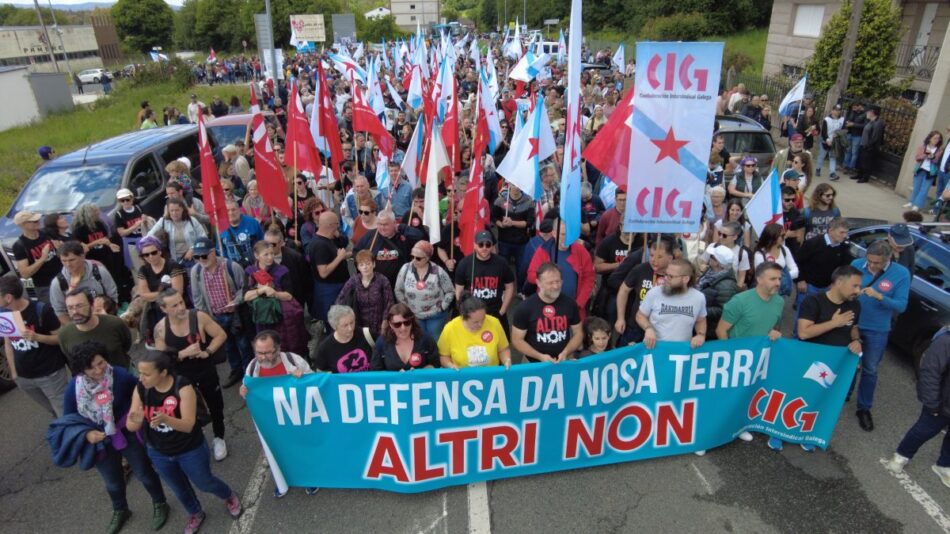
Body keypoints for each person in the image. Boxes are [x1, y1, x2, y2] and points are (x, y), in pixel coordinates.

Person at [128, 351, 242, 534]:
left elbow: (188, 425)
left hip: (190, 449)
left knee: (205, 482)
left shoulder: (183, 387)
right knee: (179, 488)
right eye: (140, 373)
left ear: (163, 373)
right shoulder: (140, 388)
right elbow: (131, 425)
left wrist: (166, 419)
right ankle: (195, 513)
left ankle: (228, 495)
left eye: (147, 374)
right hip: (158, 451)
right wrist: (137, 419)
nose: (141, 378)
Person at [64, 341, 169, 534]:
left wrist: (136, 413)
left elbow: (140, 391)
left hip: (126, 431)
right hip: (99, 440)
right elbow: (68, 419)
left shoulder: (120, 375)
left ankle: (160, 502)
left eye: (101, 363)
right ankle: (120, 509)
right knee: (112, 481)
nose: (98, 370)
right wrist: (86, 434)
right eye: (91, 367)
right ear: (81, 370)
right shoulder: (74, 389)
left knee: (143, 471)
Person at [792, 265, 864, 452]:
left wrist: (857, 341)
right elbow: (804, 333)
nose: (858, 291)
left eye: (859, 286)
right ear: (839, 282)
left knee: (823, 401)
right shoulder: (813, 301)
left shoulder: (855, 305)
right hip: (810, 362)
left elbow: (853, 328)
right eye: (854, 286)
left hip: (836, 366)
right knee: (800, 398)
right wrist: (834, 323)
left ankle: (809, 434)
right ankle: (780, 432)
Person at [239, 330, 319, 498]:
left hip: (296, 416)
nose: (263, 357)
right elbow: (248, 389)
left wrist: (302, 378)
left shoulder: (292, 360)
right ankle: (283, 480)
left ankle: (310, 477)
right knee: (278, 451)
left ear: (277, 348)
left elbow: (314, 383)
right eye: (259, 352)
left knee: (302, 448)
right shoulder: (253, 367)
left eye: (268, 352)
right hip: (272, 421)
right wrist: (244, 391)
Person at [153, 288, 229, 461]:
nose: (181, 308)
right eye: (174, 306)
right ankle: (198, 440)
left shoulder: (198, 317)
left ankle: (219, 438)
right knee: (190, 411)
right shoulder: (160, 329)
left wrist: (208, 351)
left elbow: (220, 334)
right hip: (181, 378)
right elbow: (161, 359)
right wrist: (183, 353)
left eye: (181, 302)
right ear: (164, 309)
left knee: (216, 406)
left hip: (205, 371)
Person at [849, 240, 910, 432]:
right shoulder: (857, 265)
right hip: (853, 324)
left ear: (887, 259)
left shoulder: (901, 274)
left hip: (878, 330)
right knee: (849, 363)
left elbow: (901, 305)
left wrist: (880, 296)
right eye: (870, 261)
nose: (872, 266)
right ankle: (843, 393)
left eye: (877, 263)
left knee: (870, 369)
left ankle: (864, 408)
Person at [884, 328, 950, 485]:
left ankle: (944, 465)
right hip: (942, 403)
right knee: (924, 430)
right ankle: (902, 455)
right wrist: (932, 403)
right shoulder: (946, 341)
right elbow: (930, 373)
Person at [0, 274, 68, 417]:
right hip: (24, 378)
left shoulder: (41, 310)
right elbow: (8, 343)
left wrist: (37, 337)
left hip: (50, 374)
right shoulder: (4, 313)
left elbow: (60, 338)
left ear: (8, 297)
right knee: (53, 411)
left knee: (65, 412)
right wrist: (14, 373)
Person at [190, 237, 253, 389]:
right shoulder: (196, 271)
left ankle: (249, 374)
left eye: (204, 255)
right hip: (215, 317)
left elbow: (244, 288)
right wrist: (204, 318)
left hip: (235, 314)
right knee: (227, 346)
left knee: (243, 345)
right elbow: (197, 296)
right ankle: (236, 370)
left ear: (213, 252)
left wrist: (236, 301)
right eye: (197, 257)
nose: (201, 259)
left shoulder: (231, 267)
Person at [243, 241, 308, 356]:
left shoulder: (282, 270)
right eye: (266, 254)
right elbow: (246, 296)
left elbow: (289, 295)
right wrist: (260, 291)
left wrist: (274, 293)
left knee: (284, 345)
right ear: (257, 255)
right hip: (261, 317)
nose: (270, 257)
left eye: (272, 254)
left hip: (280, 315)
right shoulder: (250, 272)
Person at [511, 263, 583, 364]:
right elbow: (517, 340)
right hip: (533, 363)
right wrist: (539, 356)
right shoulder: (525, 308)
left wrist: (566, 351)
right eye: (550, 283)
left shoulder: (570, 304)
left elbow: (578, 333)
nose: (556, 286)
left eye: (558, 281)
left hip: (564, 360)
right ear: (538, 283)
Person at [526, 217, 596, 314]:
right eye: (563, 234)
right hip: (547, 307)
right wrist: (548, 277)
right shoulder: (543, 251)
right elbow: (531, 275)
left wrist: (579, 303)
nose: (566, 238)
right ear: (554, 233)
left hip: (574, 307)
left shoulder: (581, 251)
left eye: (569, 234)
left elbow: (589, 278)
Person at [795, 218, 853, 330]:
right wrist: (800, 280)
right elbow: (798, 261)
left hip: (829, 289)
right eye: (842, 232)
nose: (845, 236)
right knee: (802, 317)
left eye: (846, 232)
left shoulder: (844, 248)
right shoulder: (813, 243)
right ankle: (797, 340)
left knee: (823, 317)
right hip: (809, 287)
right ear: (831, 231)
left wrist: (835, 283)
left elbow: (844, 268)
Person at [614, 238, 674, 344]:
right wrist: (620, 318)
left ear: (670, 258)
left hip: (663, 330)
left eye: (659, 257)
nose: (654, 260)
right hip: (636, 327)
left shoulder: (676, 275)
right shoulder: (640, 269)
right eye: (651, 255)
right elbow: (623, 290)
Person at [132, 236, 186, 347]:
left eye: (154, 252)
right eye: (146, 255)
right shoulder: (143, 270)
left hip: (176, 309)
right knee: (163, 344)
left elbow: (177, 292)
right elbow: (143, 295)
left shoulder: (173, 266)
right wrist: (166, 293)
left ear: (160, 251)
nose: (150, 256)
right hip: (155, 312)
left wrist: (152, 295)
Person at [394, 241, 455, 339]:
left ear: (427, 258)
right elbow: (398, 290)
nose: (414, 260)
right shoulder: (405, 268)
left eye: (418, 258)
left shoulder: (438, 271)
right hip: (414, 315)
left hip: (435, 315)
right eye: (412, 257)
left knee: (435, 341)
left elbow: (450, 291)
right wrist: (406, 307)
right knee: (419, 341)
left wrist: (442, 307)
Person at [59, 288, 132, 369]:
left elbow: (126, 345)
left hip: (123, 375)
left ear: (92, 306)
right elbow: (71, 359)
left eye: (79, 306)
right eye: (70, 308)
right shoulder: (64, 334)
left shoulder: (115, 323)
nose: (75, 312)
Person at [454, 230, 516, 323]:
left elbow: (510, 286)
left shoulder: (501, 263)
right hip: (472, 312)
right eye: (480, 244)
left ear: (492, 246)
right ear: (474, 245)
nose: (484, 248)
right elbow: (459, 290)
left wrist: (502, 311)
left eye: (488, 244)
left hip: (495, 312)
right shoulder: (464, 264)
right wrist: (463, 311)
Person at [354, 209, 424, 288]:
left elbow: (419, 236)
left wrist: (402, 227)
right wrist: (363, 269)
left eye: (385, 224)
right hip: (376, 285)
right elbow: (356, 252)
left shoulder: (402, 236)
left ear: (394, 223)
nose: (382, 228)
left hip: (400, 284)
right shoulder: (371, 236)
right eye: (379, 224)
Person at [438, 295, 512, 370]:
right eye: (475, 322)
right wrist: (450, 365)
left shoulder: (494, 322)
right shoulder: (450, 329)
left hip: (491, 374)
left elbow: (503, 349)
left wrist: (506, 360)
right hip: (462, 376)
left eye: (483, 319)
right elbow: (443, 356)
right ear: (463, 318)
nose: (480, 324)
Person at [336, 250, 395, 340]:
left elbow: (389, 303)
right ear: (358, 267)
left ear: (374, 264)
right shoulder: (354, 280)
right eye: (361, 265)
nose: (365, 267)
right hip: (360, 326)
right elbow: (341, 298)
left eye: (368, 264)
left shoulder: (382, 280)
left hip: (379, 326)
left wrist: (385, 323)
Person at [306, 212, 351, 329]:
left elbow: (333, 256)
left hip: (335, 286)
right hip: (330, 290)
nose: (338, 227)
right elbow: (323, 272)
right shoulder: (320, 245)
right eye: (337, 224)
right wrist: (339, 257)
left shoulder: (328, 239)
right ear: (331, 225)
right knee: (335, 322)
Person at [12, 209, 63, 305]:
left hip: (63, 277)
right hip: (45, 287)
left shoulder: (46, 233)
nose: (38, 222)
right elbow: (25, 274)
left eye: (38, 220)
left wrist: (60, 248)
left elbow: (61, 250)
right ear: (23, 225)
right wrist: (42, 259)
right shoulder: (20, 246)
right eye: (34, 221)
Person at [371, 303, 441, 371]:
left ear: (412, 321)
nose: (403, 328)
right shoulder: (382, 343)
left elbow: (436, 364)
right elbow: (375, 372)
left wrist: (420, 372)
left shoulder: (425, 339)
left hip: (420, 382)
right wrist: (395, 376)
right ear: (390, 324)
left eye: (407, 322)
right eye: (397, 324)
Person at [492, 182, 535, 287]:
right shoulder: (500, 201)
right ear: (508, 184)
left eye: (518, 185)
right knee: (503, 267)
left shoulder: (529, 201)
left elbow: (528, 223)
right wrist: (501, 225)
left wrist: (512, 223)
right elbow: (494, 218)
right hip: (504, 241)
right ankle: (502, 289)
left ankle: (521, 290)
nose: (516, 187)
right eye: (513, 184)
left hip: (521, 242)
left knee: (521, 268)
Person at [148, 198, 208, 268]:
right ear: (168, 211)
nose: (174, 213)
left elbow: (204, 237)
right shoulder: (163, 221)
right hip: (173, 260)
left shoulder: (192, 220)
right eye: (171, 211)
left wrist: (193, 249)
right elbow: (149, 236)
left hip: (192, 258)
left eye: (177, 210)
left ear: (182, 209)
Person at [314, 305, 374, 373]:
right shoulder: (325, 348)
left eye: (352, 323)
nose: (350, 328)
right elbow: (320, 373)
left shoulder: (366, 334)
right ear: (334, 327)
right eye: (345, 325)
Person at [697, 244, 739, 334]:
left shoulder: (727, 285)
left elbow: (723, 310)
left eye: (712, 256)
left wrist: (700, 309)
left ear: (717, 262)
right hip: (702, 323)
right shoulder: (710, 273)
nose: (709, 258)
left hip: (710, 330)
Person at [113, 188, 151, 270]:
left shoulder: (138, 208)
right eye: (122, 200)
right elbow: (122, 233)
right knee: (137, 266)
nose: (125, 202)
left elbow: (147, 223)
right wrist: (135, 226)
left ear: (132, 199)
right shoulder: (119, 214)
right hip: (131, 244)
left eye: (127, 199)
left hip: (144, 240)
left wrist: (145, 220)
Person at [908, 130, 944, 211]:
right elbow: (917, 157)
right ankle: (912, 202)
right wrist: (926, 155)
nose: (936, 140)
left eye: (938, 139)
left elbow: (936, 160)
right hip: (920, 169)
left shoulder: (939, 150)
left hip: (930, 172)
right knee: (916, 187)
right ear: (930, 138)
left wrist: (930, 156)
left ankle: (917, 205)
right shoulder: (923, 146)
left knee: (924, 189)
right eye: (935, 138)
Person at [219, 200, 264, 266]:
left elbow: (262, 243)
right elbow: (220, 249)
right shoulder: (220, 227)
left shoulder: (252, 223)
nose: (231, 213)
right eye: (227, 210)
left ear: (240, 210)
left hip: (253, 266)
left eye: (233, 210)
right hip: (233, 268)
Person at [853, 105, 884, 184]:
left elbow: (875, 137)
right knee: (861, 161)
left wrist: (868, 145)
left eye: (868, 111)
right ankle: (859, 174)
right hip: (863, 144)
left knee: (867, 162)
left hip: (869, 147)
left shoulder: (878, 123)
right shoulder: (870, 121)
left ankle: (865, 177)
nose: (866, 113)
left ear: (872, 113)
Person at [817, 104, 845, 180]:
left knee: (833, 157)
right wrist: (827, 140)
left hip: (835, 142)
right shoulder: (826, 119)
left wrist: (839, 134)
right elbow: (823, 132)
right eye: (836, 110)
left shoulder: (842, 120)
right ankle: (818, 169)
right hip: (825, 140)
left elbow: (843, 130)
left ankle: (832, 173)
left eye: (839, 110)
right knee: (822, 156)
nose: (837, 112)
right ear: (832, 111)